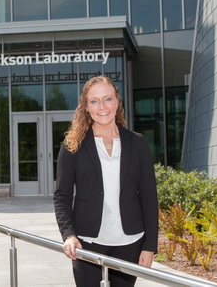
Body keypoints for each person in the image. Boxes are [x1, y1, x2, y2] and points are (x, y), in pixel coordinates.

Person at [53, 76, 158, 287]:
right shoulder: (73, 145)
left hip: (130, 242)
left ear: (117, 101)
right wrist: (69, 235)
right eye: (94, 101)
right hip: (86, 241)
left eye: (107, 98)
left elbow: (149, 196)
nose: (102, 106)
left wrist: (150, 246)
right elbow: (62, 196)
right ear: (86, 106)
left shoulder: (137, 142)